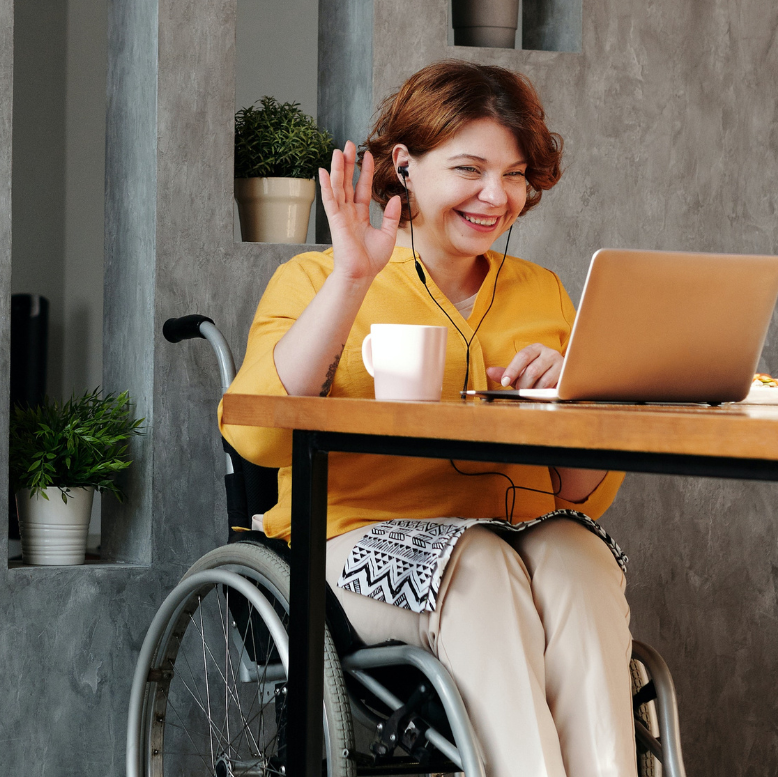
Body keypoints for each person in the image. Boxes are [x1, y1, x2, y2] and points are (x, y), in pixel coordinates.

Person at [220, 60, 635, 777]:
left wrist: (576, 399)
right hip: (353, 544)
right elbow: (255, 435)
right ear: (405, 167)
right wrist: (354, 276)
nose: (494, 196)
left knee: (580, 561)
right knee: (481, 569)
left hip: (522, 535)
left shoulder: (546, 293)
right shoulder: (316, 279)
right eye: (470, 169)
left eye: (513, 175)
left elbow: (580, 488)